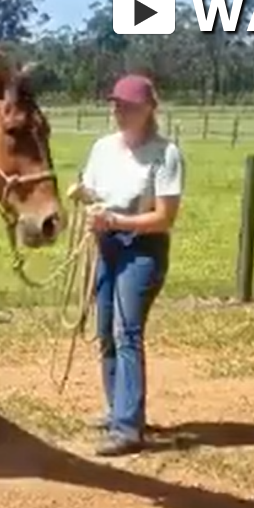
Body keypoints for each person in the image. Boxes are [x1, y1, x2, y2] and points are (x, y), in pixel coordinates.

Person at [75, 73, 185, 457]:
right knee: (105, 330)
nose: (118, 112)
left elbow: (164, 218)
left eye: (127, 106)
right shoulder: (103, 148)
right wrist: (83, 195)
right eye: (116, 105)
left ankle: (128, 427)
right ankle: (117, 409)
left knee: (127, 331)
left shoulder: (164, 154)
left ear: (148, 110)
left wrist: (118, 222)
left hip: (143, 250)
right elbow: (94, 189)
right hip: (107, 245)